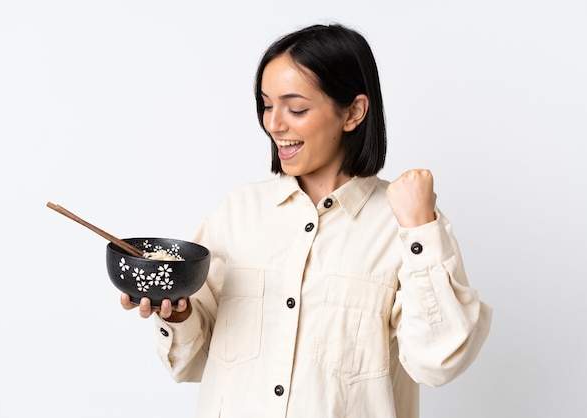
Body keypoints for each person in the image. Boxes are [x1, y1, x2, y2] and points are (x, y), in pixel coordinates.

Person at [121, 23, 492, 418]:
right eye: (266, 104)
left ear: (353, 112)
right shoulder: (237, 213)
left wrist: (420, 230)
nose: (274, 123)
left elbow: (438, 361)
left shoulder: (403, 226)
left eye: (295, 108)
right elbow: (191, 363)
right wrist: (179, 314)